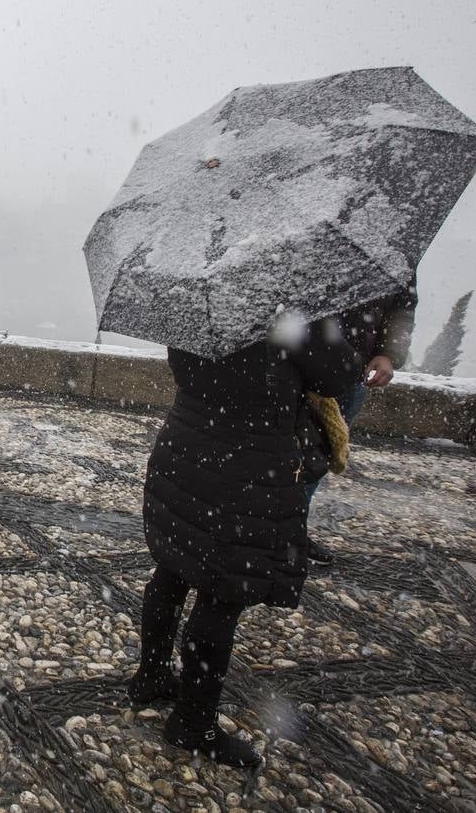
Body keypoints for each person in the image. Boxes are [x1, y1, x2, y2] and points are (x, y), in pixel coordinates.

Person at [127, 319, 362, 766]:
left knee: (174, 568)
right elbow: (342, 375)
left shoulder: (195, 303)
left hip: (186, 449)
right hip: (246, 469)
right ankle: (193, 722)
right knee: (223, 593)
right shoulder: (290, 315)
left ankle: (151, 675)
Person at [305, 279, 417, 565]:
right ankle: (268, 528)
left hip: (352, 369)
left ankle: (292, 528)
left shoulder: (396, 257)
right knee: (277, 448)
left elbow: (402, 307)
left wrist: (388, 353)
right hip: (297, 361)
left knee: (321, 452)